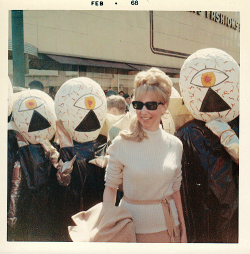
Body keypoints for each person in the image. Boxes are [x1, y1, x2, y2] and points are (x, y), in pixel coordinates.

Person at [103, 67, 187, 243]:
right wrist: (108, 227)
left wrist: (183, 229)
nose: (143, 112)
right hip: (129, 231)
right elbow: (110, 188)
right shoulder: (121, 143)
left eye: (151, 105)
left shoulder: (175, 145)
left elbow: (175, 191)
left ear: (164, 107)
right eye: (138, 105)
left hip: (169, 229)